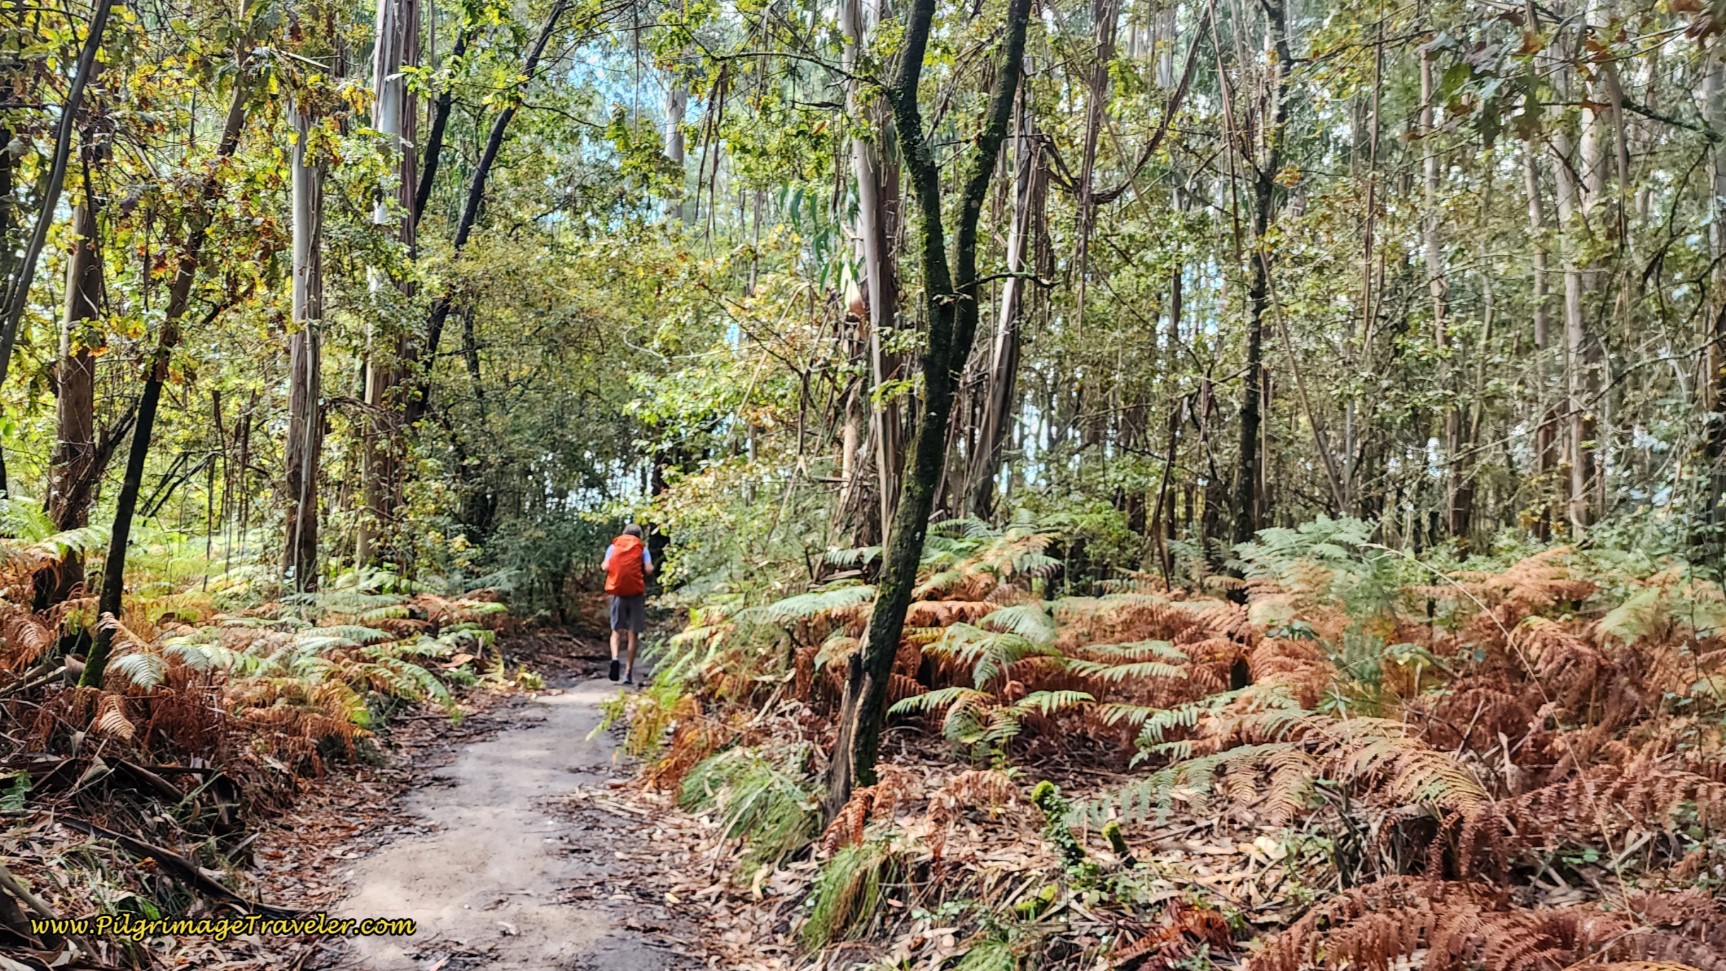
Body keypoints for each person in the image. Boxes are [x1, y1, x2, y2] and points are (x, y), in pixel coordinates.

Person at [602, 523, 653, 684]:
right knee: (633, 633)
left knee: (616, 631)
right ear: (639, 536)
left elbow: (605, 567)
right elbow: (649, 569)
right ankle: (628, 673)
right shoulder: (641, 549)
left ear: (624, 533)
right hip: (636, 594)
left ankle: (615, 658)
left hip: (618, 593)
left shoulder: (613, 547)